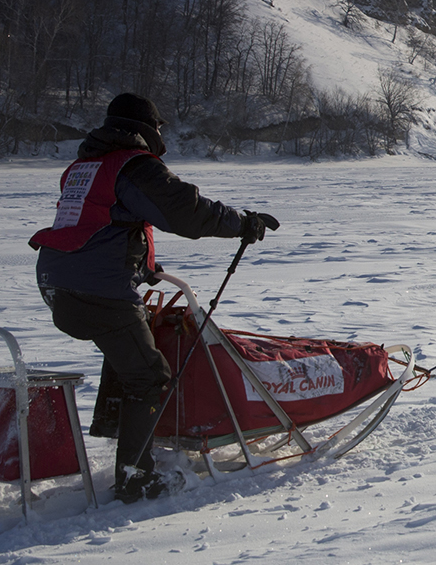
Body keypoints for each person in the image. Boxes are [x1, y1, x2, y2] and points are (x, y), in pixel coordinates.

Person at [31, 93, 278, 502]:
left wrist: (142, 270)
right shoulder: (134, 166)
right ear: (148, 129)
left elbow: (101, 229)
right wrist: (242, 223)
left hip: (60, 281)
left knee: (132, 349)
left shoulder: (85, 166)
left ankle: (127, 438)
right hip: (95, 289)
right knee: (149, 374)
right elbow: (185, 211)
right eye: (159, 128)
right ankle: (134, 477)